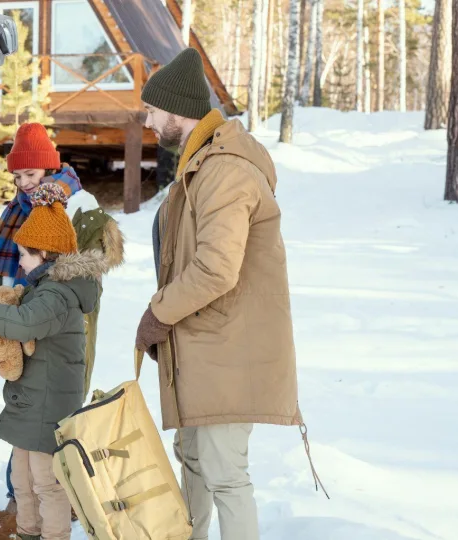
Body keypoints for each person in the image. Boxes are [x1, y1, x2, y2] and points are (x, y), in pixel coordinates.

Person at [135, 48, 312, 540]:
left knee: (226, 474)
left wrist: (158, 314)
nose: (147, 120)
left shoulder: (225, 170)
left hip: (229, 351)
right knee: (194, 461)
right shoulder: (200, 166)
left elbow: (216, 269)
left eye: (152, 109)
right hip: (206, 349)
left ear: (176, 109)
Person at [0, 123, 124, 536]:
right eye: (17, 176)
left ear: (50, 170)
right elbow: (0, 242)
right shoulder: (24, 206)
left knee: (44, 443)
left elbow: (85, 268)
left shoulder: (79, 206)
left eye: (30, 175)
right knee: (25, 433)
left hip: (55, 333)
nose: (22, 184)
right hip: (22, 327)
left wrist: (39, 301)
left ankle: (35, 514)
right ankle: (24, 516)